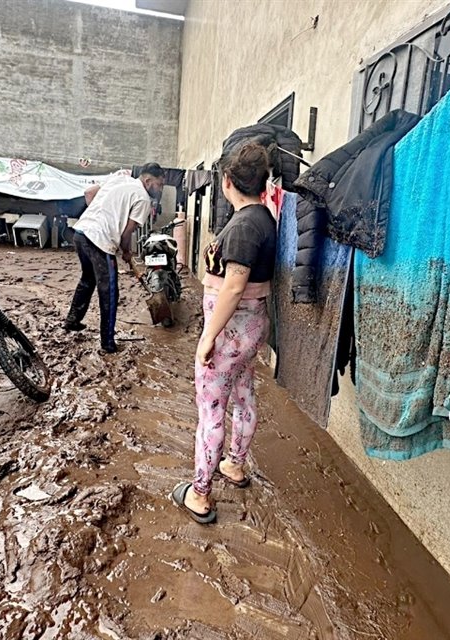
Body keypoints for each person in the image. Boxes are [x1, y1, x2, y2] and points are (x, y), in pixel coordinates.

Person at [171, 143, 277, 524]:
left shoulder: (246, 224)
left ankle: (199, 494)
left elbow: (234, 285)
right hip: (249, 330)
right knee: (244, 396)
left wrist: (206, 338)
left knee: (211, 411)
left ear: (227, 181)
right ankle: (234, 465)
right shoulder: (263, 218)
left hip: (231, 332)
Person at [64, 163, 165, 354]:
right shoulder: (143, 198)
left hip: (81, 232)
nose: (159, 189)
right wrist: (126, 251)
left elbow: (90, 192)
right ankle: (108, 343)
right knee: (109, 292)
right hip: (100, 241)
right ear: (148, 180)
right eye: (159, 185)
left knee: (88, 279)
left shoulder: (120, 178)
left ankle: (72, 320)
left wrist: (100, 217)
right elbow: (128, 231)